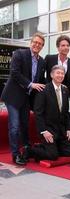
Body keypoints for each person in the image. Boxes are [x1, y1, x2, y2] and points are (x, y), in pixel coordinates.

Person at [1, 32, 46, 165]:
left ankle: (26, 150)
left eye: (40, 44)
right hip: (13, 96)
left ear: (42, 46)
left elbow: (41, 80)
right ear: (31, 43)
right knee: (14, 126)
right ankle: (15, 155)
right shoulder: (19, 54)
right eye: (35, 42)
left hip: (26, 98)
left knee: (25, 125)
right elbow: (14, 73)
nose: (37, 45)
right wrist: (31, 84)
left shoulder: (42, 61)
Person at [29, 65, 70, 161]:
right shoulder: (44, 90)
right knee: (53, 155)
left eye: (62, 73)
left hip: (60, 130)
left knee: (68, 152)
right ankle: (30, 150)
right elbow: (38, 113)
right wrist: (44, 131)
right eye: (58, 73)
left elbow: (66, 113)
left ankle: (48, 146)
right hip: (48, 129)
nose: (60, 75)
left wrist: (68, 129)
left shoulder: (65, 90)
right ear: (52, 75)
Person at [44, 35, 70, 100]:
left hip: (64, 95)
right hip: (49, 93)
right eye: (63, 45)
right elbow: (41, 74)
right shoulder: (49, 58)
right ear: (58, 47)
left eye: (67, 45)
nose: (66, 47)